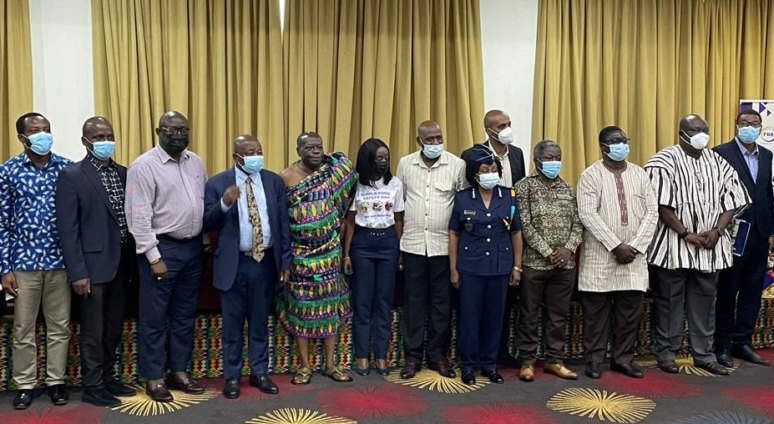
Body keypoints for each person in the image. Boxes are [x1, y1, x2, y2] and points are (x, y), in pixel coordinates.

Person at [645, 114, 750, 376]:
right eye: (694, 130)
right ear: (681, 133)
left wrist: (718, 230)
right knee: (669, 302)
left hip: (709, 248)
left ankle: (704, 355)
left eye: (704, 129)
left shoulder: (718, 161)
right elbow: (660, 205)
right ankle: (667, 353)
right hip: (673, 246)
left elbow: (733, 199)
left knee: (705, 302)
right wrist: (685, 233)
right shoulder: (662, 161)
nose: (701, 134)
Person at [125, 111, 208, 402]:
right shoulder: (144, 166)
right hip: (162, 249)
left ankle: (179, 372)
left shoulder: (195, 161)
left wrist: (204, 239)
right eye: (172, 129)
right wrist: (153, 256)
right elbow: (138, 216)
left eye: (184, 129)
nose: (179, 135)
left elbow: (201, 202)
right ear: (158, 131)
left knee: (184, 315)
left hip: (193, 249)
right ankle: (154, 377)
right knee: (155, 318)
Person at [55, 117, 136, 407]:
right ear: (85, 141)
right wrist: (78, 272)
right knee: (93, 330)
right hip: (91, 267)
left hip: (122, 264)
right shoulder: (72, 175)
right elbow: (68, 229)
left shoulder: (124, 173)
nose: (105, 141)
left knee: (113, 328)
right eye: (99, 137)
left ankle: (109, 377)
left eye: (109, 135)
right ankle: (92, 385)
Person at [204, 135, 291, 398]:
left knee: (259, 322)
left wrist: (285, 261)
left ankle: (259, 372)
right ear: (236, 157)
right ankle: (232, 377)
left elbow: (282, 224)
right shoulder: (217, 183)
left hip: (264, 262)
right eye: (249, 152)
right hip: (233, 263)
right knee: (232, 326)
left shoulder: (274, 181)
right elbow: (207, 223)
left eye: (258, 151)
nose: (256, 157)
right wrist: (224, 203)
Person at [0, 112, 73, 409]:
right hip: (23, 264)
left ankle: (56, 381)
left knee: (60, 326)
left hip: (60, 262)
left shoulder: (66, 168)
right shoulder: (8, 171)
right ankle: (25, 384)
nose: (43, 134)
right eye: (35, 130)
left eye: (46, 129)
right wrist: (4, 269)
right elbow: (2, 223)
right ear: (22, 137)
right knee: (23, 328)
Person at [576, 126, 658, 380]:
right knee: (596, 314)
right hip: (601, 256)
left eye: (624, 139)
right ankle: (594, 360)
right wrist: (615, 246)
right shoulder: (590, 175)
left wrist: (635, 245)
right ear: (603, 147)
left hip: (634, 256)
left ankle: (623, 359)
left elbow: (652, 212)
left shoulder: (639, 174)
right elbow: (587, 213)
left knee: (629, 313)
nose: (622, 144)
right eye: (615, 141)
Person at [278, 132, 357, 385]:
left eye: (319, 147)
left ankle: (331, 365)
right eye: (310, 147)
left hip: (329, 252)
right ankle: (304, 366)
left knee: (329, 309)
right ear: (298, 150)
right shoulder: (286, 177)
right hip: (299, 255)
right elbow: (281, 219)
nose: (316, 151)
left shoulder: (333, 171)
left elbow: (346, 194)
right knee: (301, 309)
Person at [395, 121, 465, 380]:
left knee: (441, 304)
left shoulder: (456, 165)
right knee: (413, 303)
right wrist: (399, 246)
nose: (436, 143)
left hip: (443, 247)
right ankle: (412, 357)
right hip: (413, 245)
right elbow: (399, 204)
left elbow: (461, 206)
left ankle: (437, 356)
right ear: (419, 141)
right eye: (430, 139)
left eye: (439, 138)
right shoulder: (405, 164)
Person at [449, 144, 523, 385]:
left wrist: (517, 266)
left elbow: (516, 232)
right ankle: (468, 365)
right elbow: (454, 233)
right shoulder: (463, 198)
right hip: (471, 266)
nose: (490, 174)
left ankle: (490, 365)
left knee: (494, 317)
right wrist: (453, 268)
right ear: (475, 174)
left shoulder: (509, 196)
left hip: (500, 266)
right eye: (484, 170)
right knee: (469, 318)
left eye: (493, 170)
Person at [462, 110, 526, 367]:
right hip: (478, 232)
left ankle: (498, 352)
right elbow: (466, 190)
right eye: (501, 126)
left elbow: (519, 191)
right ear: (488, 130)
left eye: (509, 123)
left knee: (503, 302)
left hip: (506, 231)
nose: (507, 129)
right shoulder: (472, 154)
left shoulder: (517, 154)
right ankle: (472, 357)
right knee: (474, 306)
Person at [514, 140, 582, 382]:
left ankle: (555, 360)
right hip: (535, 263)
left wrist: (568, 249)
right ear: (537, 161)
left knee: (558, 315)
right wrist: (547, 251)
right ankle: (527, 361)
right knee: (529, 314)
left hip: (565, 265)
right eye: (550, 158)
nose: (555, 162)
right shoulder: (524, 187)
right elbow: (523, 224)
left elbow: (578, 223)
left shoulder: (568, 188)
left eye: (558, 157)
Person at [712, 109, 773, 367]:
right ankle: (722, 344)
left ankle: (742, 342)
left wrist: (770, 231)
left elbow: (766, 193)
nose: (749, 127)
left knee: (752, 290)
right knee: (728, 290)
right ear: (736, 125)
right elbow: (715, 193)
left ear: (760, 127)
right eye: (744, 123)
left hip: (760, 233)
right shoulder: (720, 153)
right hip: (733, 232)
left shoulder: (767, 155)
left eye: (754, 123)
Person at [342, 138, 404, 376]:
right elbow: (349, 222)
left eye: (386, 157)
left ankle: (380, 355)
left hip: (387, 243)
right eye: (378, 158)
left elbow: (398, 219)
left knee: (383, 302)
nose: (383, 161)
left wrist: (399, 250)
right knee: (363, 302)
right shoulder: (356, 185)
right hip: (362, 244)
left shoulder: (395, 184)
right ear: (368, 159)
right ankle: (361, 356)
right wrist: (346, 254)